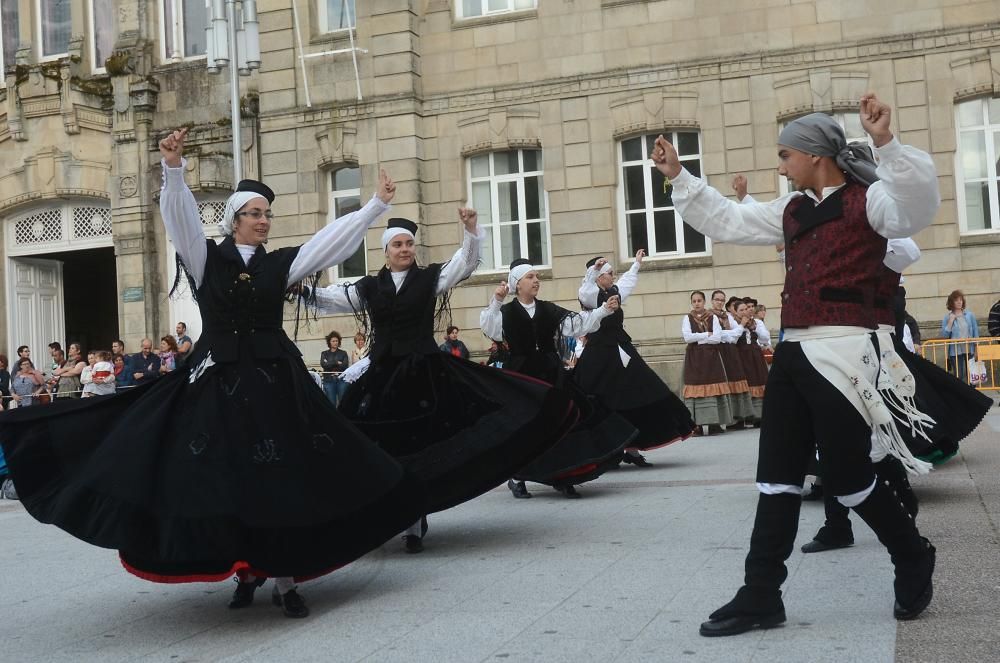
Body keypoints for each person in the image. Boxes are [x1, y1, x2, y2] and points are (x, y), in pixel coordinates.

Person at [0, 127, 424, 620]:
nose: (264, 221)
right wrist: (174, 171)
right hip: (219, 383)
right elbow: (179, 223)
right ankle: (245, 570)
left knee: (283, 478)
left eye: (267, 215)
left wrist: (373, 207)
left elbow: (329, 244)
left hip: (274, 382)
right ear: (235, 220)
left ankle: (284, 580)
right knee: (222, 477)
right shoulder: (206, 260)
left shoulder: (281, 265)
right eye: (256, 214)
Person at [652, 94, 940, 635]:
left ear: (815, 156)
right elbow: (727, 220)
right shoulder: (791, 211)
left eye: (786, 155)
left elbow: (917, 206)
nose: (779, 165)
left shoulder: (870, 202)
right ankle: (761, 593)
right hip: (792, 351)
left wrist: (886, 143)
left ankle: (911, 554)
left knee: (849, 477)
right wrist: (679, 176)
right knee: (776, 478)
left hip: (843, 353)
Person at [308, 212, 577, 553]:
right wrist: (302, 289)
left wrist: (470, 231)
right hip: (381, 376)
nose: (405, 249)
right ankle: (381, 511)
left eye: (408, 243)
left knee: (421, 443)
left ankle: (413, 521)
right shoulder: (370, 286)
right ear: (386, 251)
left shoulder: (429, 279)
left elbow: (462, 264)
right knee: (376, 443)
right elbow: (334, 297)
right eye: (397, 244)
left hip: (423, 374)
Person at [481, 258, 635, 499]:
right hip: (521, 373)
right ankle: (517, 476)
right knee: (525, 425)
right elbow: (491, 329)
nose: (536, 280)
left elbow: (578, 324)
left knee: (562, 420)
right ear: (517, 284)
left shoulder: (548, 309)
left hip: (549, 371)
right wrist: (497, 299)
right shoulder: (506, 312)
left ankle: (563, 475)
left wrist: (603, 310)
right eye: (530, 277)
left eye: (537, 277)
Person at [575, 251, 696, 466]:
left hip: (622, 349)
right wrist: (593, 270)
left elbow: (627, 283)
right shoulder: (591, 295)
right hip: (600, 354)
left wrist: (637, 265)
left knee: (643, 390)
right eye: (609, 273)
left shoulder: (614, 291)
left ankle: (632, 446)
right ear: (599, 277)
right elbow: (585, 290)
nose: (613, 276)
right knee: (600, 399)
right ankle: (607, 450)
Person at [681, 290, 734, 436]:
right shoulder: (687, 318)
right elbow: (687, 337)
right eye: (694, 301)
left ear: (704, 302)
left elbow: (717, 338)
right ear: (692, 303)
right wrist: (706, 335)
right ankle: (696, 425)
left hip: (711, 357)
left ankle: (714, 423)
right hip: (694, 358)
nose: (697, 303)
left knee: (714, 387)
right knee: (695, 390)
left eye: (699, 301)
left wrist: (698, 338)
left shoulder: (712, 317)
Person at [710, 289, 753, 430]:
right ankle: (724, 420)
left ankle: (738, 417)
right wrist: (734, 331)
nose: (720, 302)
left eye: (722, 300)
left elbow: (735, 335)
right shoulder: (709, 316)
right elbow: (720, 335)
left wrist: (733, 331)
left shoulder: (728, 316)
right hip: (717, 351)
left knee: (736, 382)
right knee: (723, 384)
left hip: (731, 351)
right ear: (712, 301)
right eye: (717, 299)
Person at [941, 290, 979, 383]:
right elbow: (945, 336)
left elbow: (975, 331)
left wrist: (977, 348)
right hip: (955, 350)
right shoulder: (947, 317)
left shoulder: (969, 315)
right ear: (951, 302)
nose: (959, 302)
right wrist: (950, 321)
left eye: (961, 300)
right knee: (959, 375)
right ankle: (960, 395)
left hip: (969, 349)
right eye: (956, 300)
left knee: (971, 374)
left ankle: (972, 394)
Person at [319, 331, 349, 406]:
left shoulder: (343, 353)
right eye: (333, 341)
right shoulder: (324, 353)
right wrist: (337, 362)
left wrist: (329, 362)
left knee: (343, 402)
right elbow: (324, 365)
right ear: (329, 342)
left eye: (337, 341)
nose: (335, 343)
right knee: (331, 403)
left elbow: (344, 366)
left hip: (341, 380)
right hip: (328, 380)